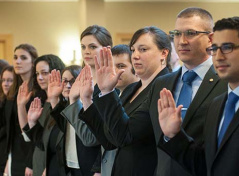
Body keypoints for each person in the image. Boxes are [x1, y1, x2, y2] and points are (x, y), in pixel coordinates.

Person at [89, 7, 227, 176]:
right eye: (176, 34)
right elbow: (125, 134)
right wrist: (106, 92)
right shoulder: (163, 83)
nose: (182, 40)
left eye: (190, 33)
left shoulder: (225, 82)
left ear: (210, 39)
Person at [158, 16, 239, 176]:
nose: (219, 57)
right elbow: (206, 165)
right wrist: (174, 135)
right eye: (214, 49)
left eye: (227, 47)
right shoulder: (217, 104)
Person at [78, 26, 171, 175]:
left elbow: (125, 136)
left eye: (143, 50)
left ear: (163, 53)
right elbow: (109, 140)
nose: (135, 55)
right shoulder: (131, 88)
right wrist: (87, 100)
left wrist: (108, 92)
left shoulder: (165, 87)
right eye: (133, 50)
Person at [50, 25, 112, 176]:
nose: (86, 51)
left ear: (106, 49)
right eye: (83, 47)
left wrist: (98, 168)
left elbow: (96, 137)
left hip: (94, 164)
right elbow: (68, 126)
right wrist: (55, 100)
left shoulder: (110, 84)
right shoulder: (79, 79)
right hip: (72, 160)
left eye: (92, 46)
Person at [20, 54, 65, 176]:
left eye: (44, 73)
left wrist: (50, 167)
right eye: (37, 73)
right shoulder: (40, 100)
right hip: (39, 159)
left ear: (56, 72)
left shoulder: (62, 102)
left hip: (53, 164)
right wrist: (30, 120)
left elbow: (58, 141)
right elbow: (37, 139)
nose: (40, 77)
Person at [4, 43, 38, 176]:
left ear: (33, 62)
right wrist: (8, 157)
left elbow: (37, 133)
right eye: (15, 57)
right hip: (15, 151)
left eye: (23, 58)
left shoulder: (37, 92)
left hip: (32, 151)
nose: (18, 61)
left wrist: (31, 161)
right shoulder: (14, 90)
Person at [0, 66, 14, 176]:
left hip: (6, 153)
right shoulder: (2, 101)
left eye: (10, 80)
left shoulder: (13, 104)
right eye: (3, 80)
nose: (5, 84)